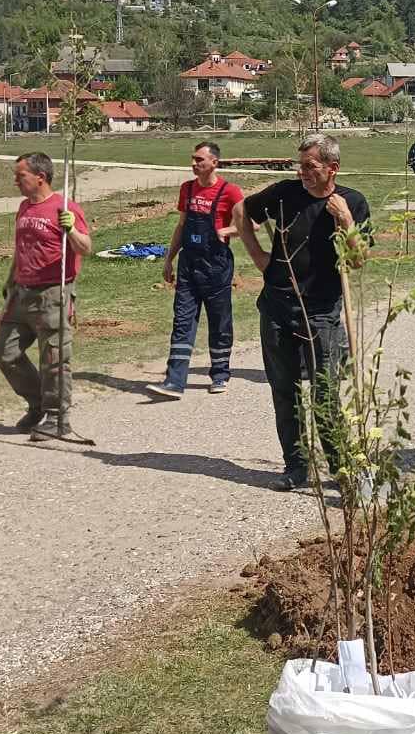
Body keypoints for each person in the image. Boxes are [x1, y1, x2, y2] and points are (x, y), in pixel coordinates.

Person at [234, 134, 372, 492]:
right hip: (277, 307)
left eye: (310, 166)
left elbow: (358, 260)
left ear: (332, 168)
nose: (303, 172)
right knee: (285, 391)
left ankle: (341, 471)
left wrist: (346, 221)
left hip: (322, 312)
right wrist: (259, 257)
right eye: (301, 166)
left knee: (325, 394)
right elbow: (241, 212)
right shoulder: (285, 194)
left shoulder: (352, 202)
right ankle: (296, 467)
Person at [0, 152, 92, 437]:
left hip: (52, 294)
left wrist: (71, 229)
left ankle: (58, 418)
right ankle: (37, 404)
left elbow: (86, 248)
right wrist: (10, 279)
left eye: (20, 176)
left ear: (40, 177)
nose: (16, 181)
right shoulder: (24, 207)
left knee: (53, 358)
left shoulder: (65, 208)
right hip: (21, 292)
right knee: (5, 352)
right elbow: (21, 247)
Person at [150, 142, 244, 399]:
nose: (194, 163)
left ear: (214, 162)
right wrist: (169, 259)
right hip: (189, 265)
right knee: (182, 321)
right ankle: (174, 381)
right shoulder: (187, 189)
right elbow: (181, 226)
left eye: (199, 159)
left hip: (217, 266)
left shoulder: (230, 191)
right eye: (193, 158)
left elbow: (250, 225)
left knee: (219, 322)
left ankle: (220, 374)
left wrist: (227, 230)